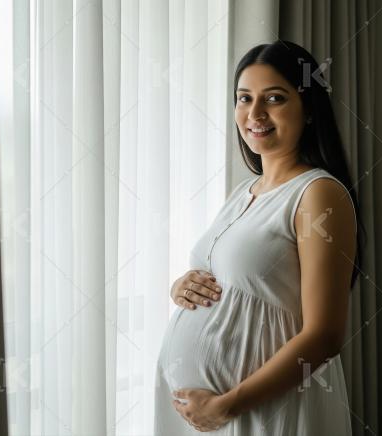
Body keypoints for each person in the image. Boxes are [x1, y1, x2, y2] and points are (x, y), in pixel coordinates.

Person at [154, 40, 365, 435]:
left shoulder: (317, 193)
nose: (255, 113)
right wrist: (181, 287)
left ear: (308, 110)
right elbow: (232, 281)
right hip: (211, 414)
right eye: (244, 98)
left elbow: (325, 335)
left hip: (267, 410)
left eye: (274, 98)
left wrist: (227, 405)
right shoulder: (245, 192)